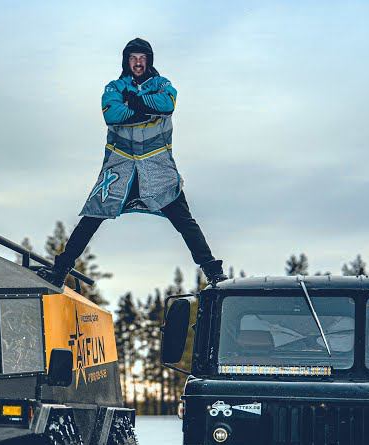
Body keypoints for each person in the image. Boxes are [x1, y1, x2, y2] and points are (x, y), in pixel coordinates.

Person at [37, 37, 228, 287]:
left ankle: (213, 272)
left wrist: (134, 102)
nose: (138, 63)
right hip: (121, 169)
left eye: (142, 58)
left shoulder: (162, 84)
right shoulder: (115, 87)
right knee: (91, 217)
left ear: (148, 60)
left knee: (184, 221)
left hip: (156, 168)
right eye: (133, 58)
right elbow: (112, 114)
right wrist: (147, 111)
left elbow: (167, 104)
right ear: (127, 61)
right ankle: (60, 270)